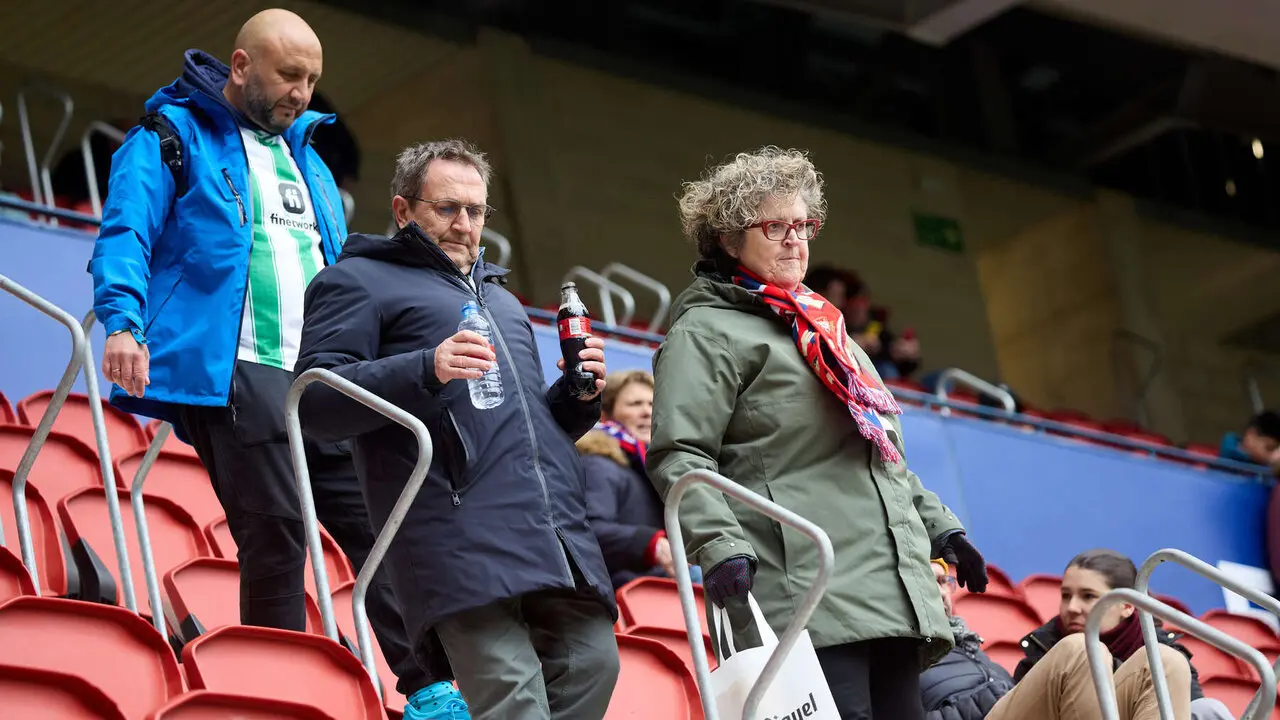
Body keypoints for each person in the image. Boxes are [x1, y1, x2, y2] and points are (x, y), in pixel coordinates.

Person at [87, 11, 465, 719]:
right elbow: (125, 233)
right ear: (241, 66)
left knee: (379, 526)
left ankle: (430, 689)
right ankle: (270, 695)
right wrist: (123, 323)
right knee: (279, 529)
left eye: (312, 79)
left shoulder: (307, 157)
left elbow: (340, 267)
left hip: (321, 375)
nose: (303, 92)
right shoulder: (168, 137)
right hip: (234, 364)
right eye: (289, 75)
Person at [648, 145, 989, 720]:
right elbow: (680, 457)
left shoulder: (828, 330)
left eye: (803, 225)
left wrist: (940, 529)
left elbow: (882, 459)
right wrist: (719, 545)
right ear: (728, 240)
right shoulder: (705, 332)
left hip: (891, 592)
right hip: (802, 589)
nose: (795, 240)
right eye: (775, 226)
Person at [294, 138, 621, 720]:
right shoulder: (358, 280)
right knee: (513, 698)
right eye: (446, 208)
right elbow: (315, 401)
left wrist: (576, 397)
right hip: (453, 533)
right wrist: (426, 367)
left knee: (594, 663)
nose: (464, 225)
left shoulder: (503, 300)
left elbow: (521, 425)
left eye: (475, 211)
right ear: (402, 210)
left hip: (548, 529)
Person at [988, 549, 1234, 720]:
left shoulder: (1165, 652)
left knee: (1203, 703)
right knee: (1082, 649)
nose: (1072, 607)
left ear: (1127, 605)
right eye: (1065, 595)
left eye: (1088, 596)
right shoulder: (1044, 647)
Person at [577, 370, 702, 589]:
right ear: (605, 415)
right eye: (635, 404)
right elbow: (586, 531)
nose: (646, 412)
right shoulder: (598, 463)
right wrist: (652, 544)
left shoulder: (656, 471)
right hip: (623, 592)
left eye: (653, 404)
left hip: (657, 589)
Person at [919, 559, 1014, 720]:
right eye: (927, 582)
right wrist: (986, 701)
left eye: (942, 582)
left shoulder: (970, 646)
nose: (941, 593)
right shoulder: (897, 657)